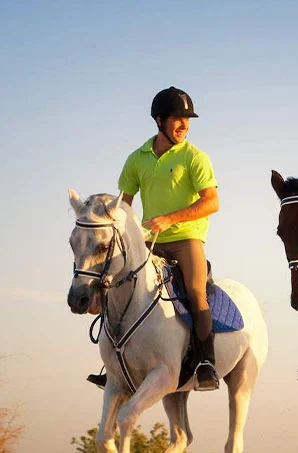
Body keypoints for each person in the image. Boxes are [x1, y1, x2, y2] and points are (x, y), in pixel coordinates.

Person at [88, 86, 220, 391]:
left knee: (197, 293)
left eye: (188, 120)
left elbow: (212, 201)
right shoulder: (137, 159)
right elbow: (124, 204)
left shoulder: (195, 157)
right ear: (159, 121)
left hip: (187, 239)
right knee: (116, 283)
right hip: (148, 240)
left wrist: (170, 218)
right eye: (178, 118)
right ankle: (113, 364)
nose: (185, 125)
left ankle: (206, 363)